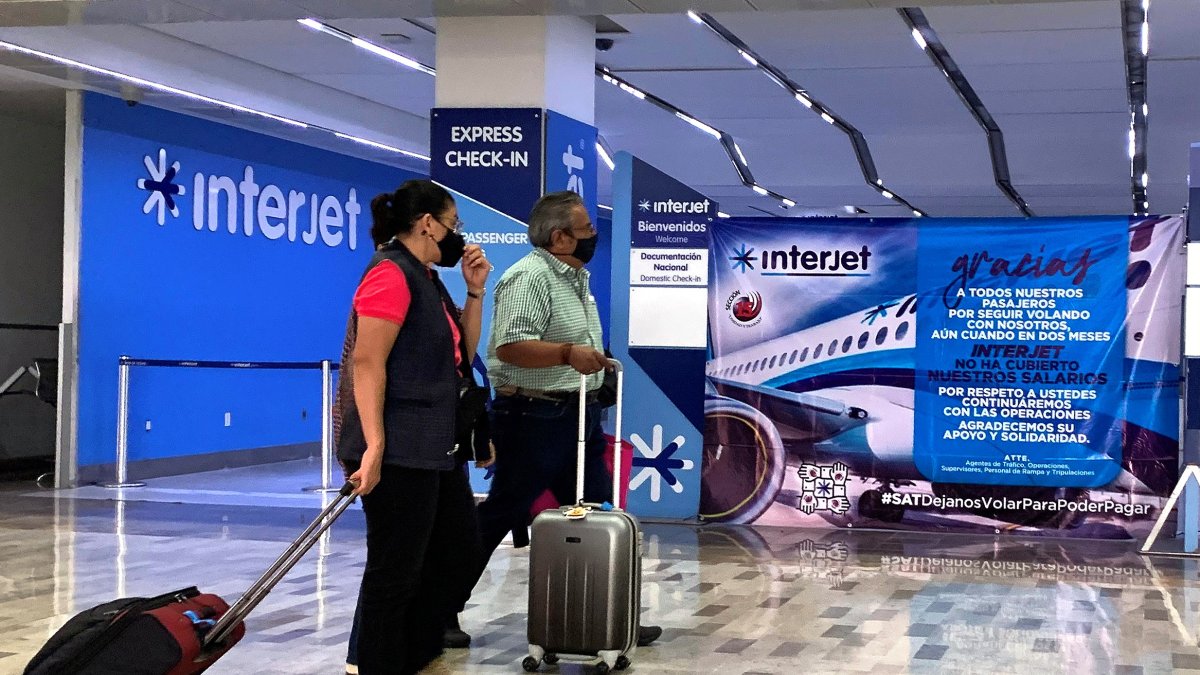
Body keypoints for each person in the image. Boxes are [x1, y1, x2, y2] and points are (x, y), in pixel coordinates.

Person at [459, 190, 662, 647]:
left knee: (596, 510)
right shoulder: (529, 278)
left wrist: (594, 364)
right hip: (533, 416)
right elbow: (509, 346)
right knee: (503, 512)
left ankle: (609, 614)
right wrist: (569, 354)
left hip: (576, 416)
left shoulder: (574, 279)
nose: (594, 234)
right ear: (561, 238)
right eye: (587, 228)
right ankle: (441, 608)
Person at [334, 179, 490, 675]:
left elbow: (460, 353)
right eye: (454, 224)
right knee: (394, 572)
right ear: (428, 224)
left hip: (436, 447)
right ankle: (380, 663)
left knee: (458, 552)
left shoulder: (424, 276)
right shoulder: (389, 274)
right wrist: (374, 447)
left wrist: (475, 293)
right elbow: (367, 363)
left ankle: (415, 655)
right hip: (400, 449)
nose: (458, 235)